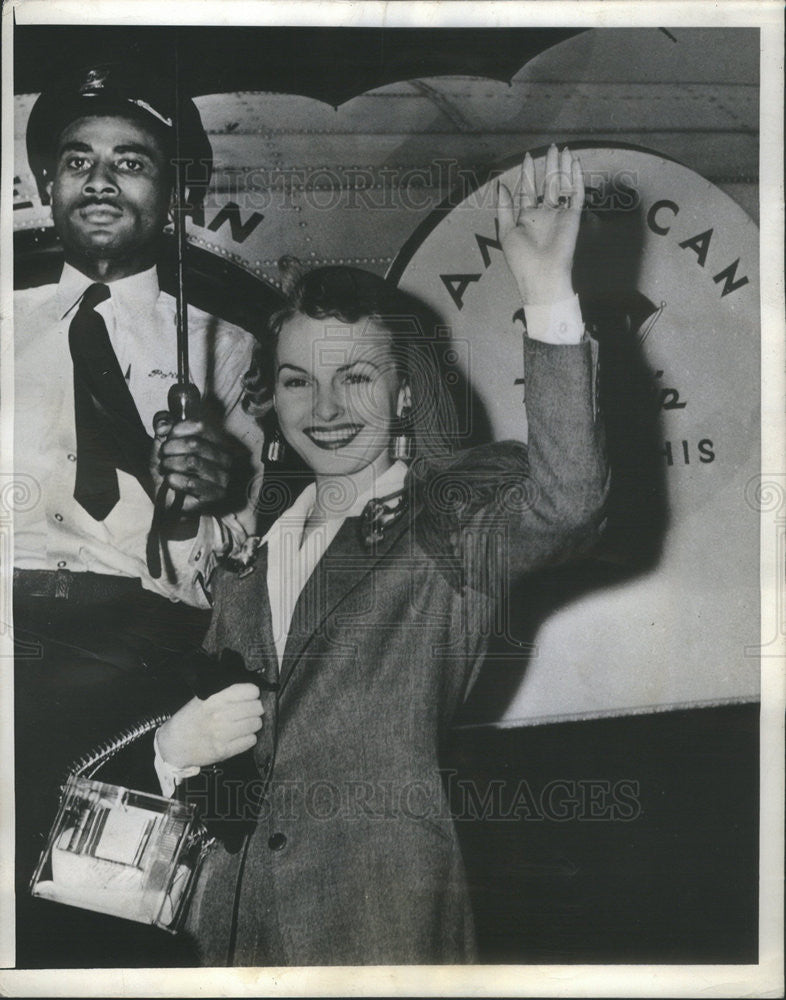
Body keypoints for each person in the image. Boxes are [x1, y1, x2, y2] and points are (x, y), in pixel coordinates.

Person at [154, 145, 609, 966]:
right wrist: (171, 755)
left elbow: (568, 501)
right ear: (272, 393)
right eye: (298, 382)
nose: (325, 409)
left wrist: (545, 294)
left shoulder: (450, 520)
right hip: (231, 930)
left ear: (405, 393)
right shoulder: (250, 558)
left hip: (377, 924)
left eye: (356, 378)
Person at [12, 62, 264, 967]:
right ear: (46, 183)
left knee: (102, 921)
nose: (101, 182)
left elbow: (251, 554)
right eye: (77, 160)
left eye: (132, 161)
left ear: (176, 189)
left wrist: (216, 493)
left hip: (139, 659)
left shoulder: (232, 346)